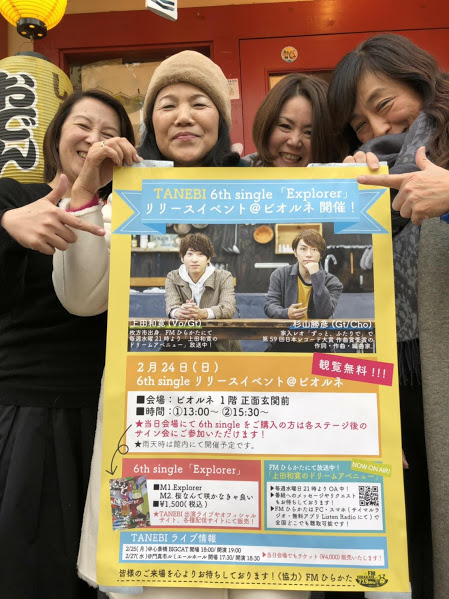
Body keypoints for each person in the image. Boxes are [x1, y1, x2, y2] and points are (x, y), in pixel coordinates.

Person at [53, 52, 310, 599]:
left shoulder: (263, 187)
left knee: (269, 582)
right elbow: (80, 300)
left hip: (252, 422)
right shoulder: (126, 195)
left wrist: (359, 176)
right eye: (167, 104)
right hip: (152, 425)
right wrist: (85, 193)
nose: (184, 115)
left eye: (200, 103)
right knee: (151, 575)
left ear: (221, 118)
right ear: (150, 122)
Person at [0, 89, 137, 599]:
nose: (95, 140)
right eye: (83, 126)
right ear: (56, 134)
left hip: (115, 419)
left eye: (110, 132)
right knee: (32, 569)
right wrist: (5, 226)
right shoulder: (15, 196)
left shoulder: (132, 212)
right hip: (31, 414)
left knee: (119, 568)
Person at [327, 33, 449, 599]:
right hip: (390, 380)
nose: (377, 128)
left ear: (421, 82)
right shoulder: (371, 174)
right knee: (410, 538)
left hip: (437, 370)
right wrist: (349, 197)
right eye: (360, 124)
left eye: (384, 104)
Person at [264, 229, 342, 352]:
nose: (308, 254)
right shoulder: (280, 275)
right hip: (285, 341)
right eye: (303, 249)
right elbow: (270, 306)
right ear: (295, 252)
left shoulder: (333, 282)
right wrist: (286, 313)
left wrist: (316, 276)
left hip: (318, 344)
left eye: (314, 249)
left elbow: (324, 312)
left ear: (321, 254)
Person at [165, 232, 241, 352]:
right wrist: (180, 312)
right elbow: (171, 306)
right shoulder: (173, 277)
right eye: (190, 254)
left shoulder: (224, 276)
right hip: (182, 336)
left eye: (200, 254)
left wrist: (204, 313)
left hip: (215, 339)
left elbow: (228, 308)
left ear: (208, 258)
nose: (194, 259)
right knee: (165, 358)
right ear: (182, 258)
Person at [246, 72, 339, 167]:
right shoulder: (240, 171)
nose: (294, 142)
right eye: (285, 126)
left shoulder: (342, 174)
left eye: (309, 132)